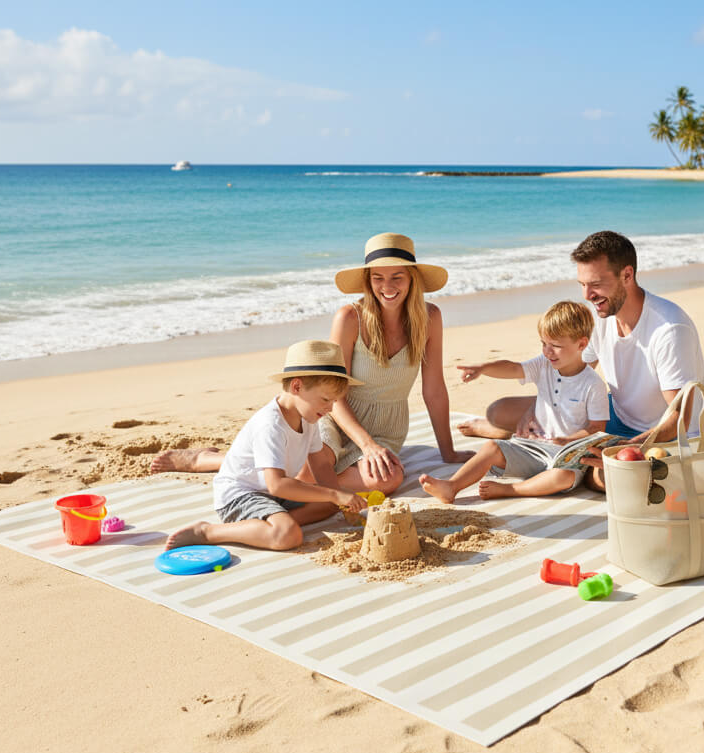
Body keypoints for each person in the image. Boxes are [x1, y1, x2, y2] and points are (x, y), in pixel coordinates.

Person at [152, 232, 470, 489]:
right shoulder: (350, 318)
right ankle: (210, 460)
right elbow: (335, 392)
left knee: (387, 480)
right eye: (378, 278)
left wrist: (448, 452)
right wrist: (366, 444)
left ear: (412, 278)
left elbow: (434, 390)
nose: (387, 287)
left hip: (388, 426)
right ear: (368, 280)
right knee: (303, 475)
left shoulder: (430, 318)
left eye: (397, 277)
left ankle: (282, 474)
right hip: (333, 414)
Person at [462, 231, 704, 491]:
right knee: (499, 411)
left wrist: (627, 448)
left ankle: (522, 441)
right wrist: (539, 409)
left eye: (595, 284)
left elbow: (680, 420)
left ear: (627, 275)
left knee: (600, 479)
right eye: (582, 284)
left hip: (657, 435)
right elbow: (574, 374)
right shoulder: (602, 316)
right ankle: (507, 432)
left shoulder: (669, 329)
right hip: (613, 415)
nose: (587, 295)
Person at [165, 340, 366, 552]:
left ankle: (268, 524)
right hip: (241, 495)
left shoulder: (309, 417)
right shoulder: (271, 425)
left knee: (330, 503)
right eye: (326, 399)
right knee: (288, 536)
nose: (330, 408)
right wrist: (335, 495)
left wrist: (339, 499)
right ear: (297, 387)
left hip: (273, 495)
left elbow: (321, 465)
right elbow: (277, 485)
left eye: (334, 401)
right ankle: (208, 532)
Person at [419, 301, 608, 503]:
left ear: (581, 344)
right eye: (544, 344)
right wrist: (484, 368)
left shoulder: (593, 385)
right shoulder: (544, 365)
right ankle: (451, 486)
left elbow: (596, 428)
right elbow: (513, 368)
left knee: (563, 477)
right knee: (492, 447)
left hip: (566, 456)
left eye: (555, 346)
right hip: (532, 446)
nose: (547, 351)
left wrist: (568, 440)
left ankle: (511, 489)